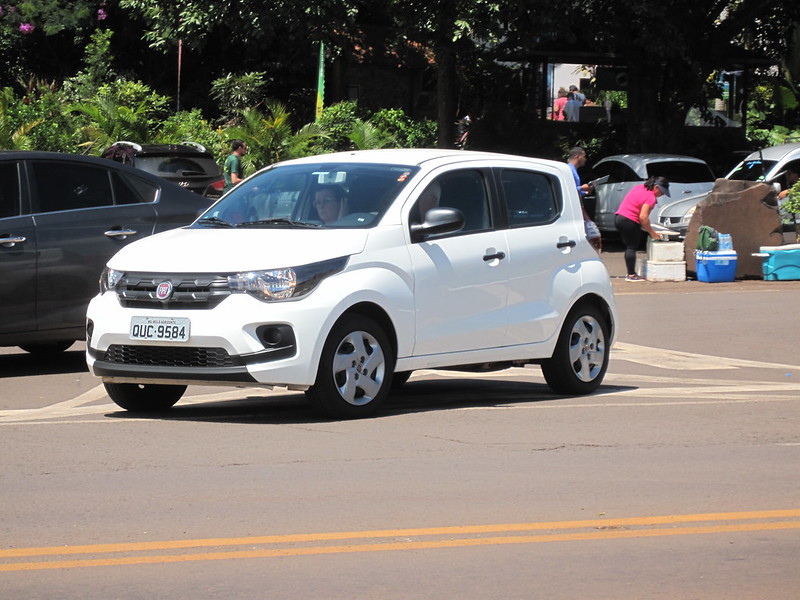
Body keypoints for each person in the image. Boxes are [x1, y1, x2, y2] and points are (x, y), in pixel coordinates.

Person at [614, 176, 670, 281]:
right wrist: (652, 233)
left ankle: (630, 273)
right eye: (662, 192)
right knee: (631, 246)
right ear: (656, 187)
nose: (662, 195)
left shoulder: (640, 187)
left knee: (629, 246)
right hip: (629, 220)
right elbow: (643, 217)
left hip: (619, 217)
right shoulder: (651, 197)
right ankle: (631, 275)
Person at [567, 147, 601, 251]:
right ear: (578, 156)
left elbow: (575, 191)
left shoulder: (573, 170)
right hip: (574, 208)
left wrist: (584, 192)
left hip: (579, 206)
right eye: (584, 156)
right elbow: (568, 189)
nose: (585, 159)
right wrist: (581, 188)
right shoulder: (569, 170)